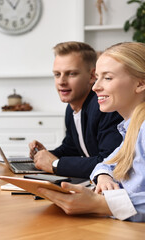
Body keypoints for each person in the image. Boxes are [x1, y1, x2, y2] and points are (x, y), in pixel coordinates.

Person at [38, 42, 145, 222]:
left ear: (140, 84)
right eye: (97, 78)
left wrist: (100, 204)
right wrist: (103, 176)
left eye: (108, 78)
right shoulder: (131, 128)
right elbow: (107, 163)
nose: (95, 87)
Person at [28, 41, 123, 178]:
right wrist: (45, 155)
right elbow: (70, 148)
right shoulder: (71, 108)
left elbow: (108, 162)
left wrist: (56, 164)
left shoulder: (105, 108)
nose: (61, 81)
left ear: (92, 76)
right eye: (57, 74)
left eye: (71, 74)